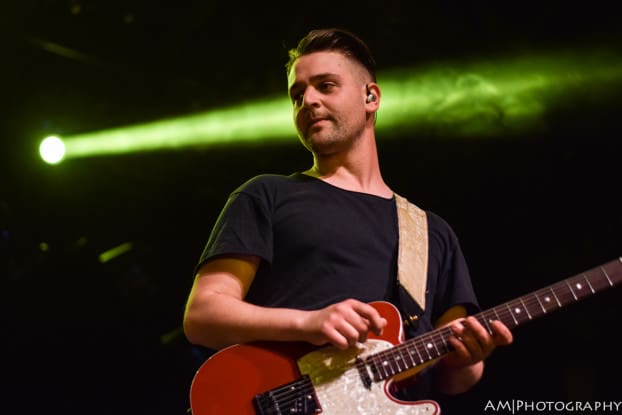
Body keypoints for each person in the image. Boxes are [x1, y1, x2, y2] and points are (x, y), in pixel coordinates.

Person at [183, 27, 513, 405]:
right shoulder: (266, 194)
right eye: (297, 94)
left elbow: (453, 378)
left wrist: (469, 358)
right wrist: (308, 323)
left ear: (371, 96)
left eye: (325, 86)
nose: (308, 100)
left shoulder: (432, 232)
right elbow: (203, 316)